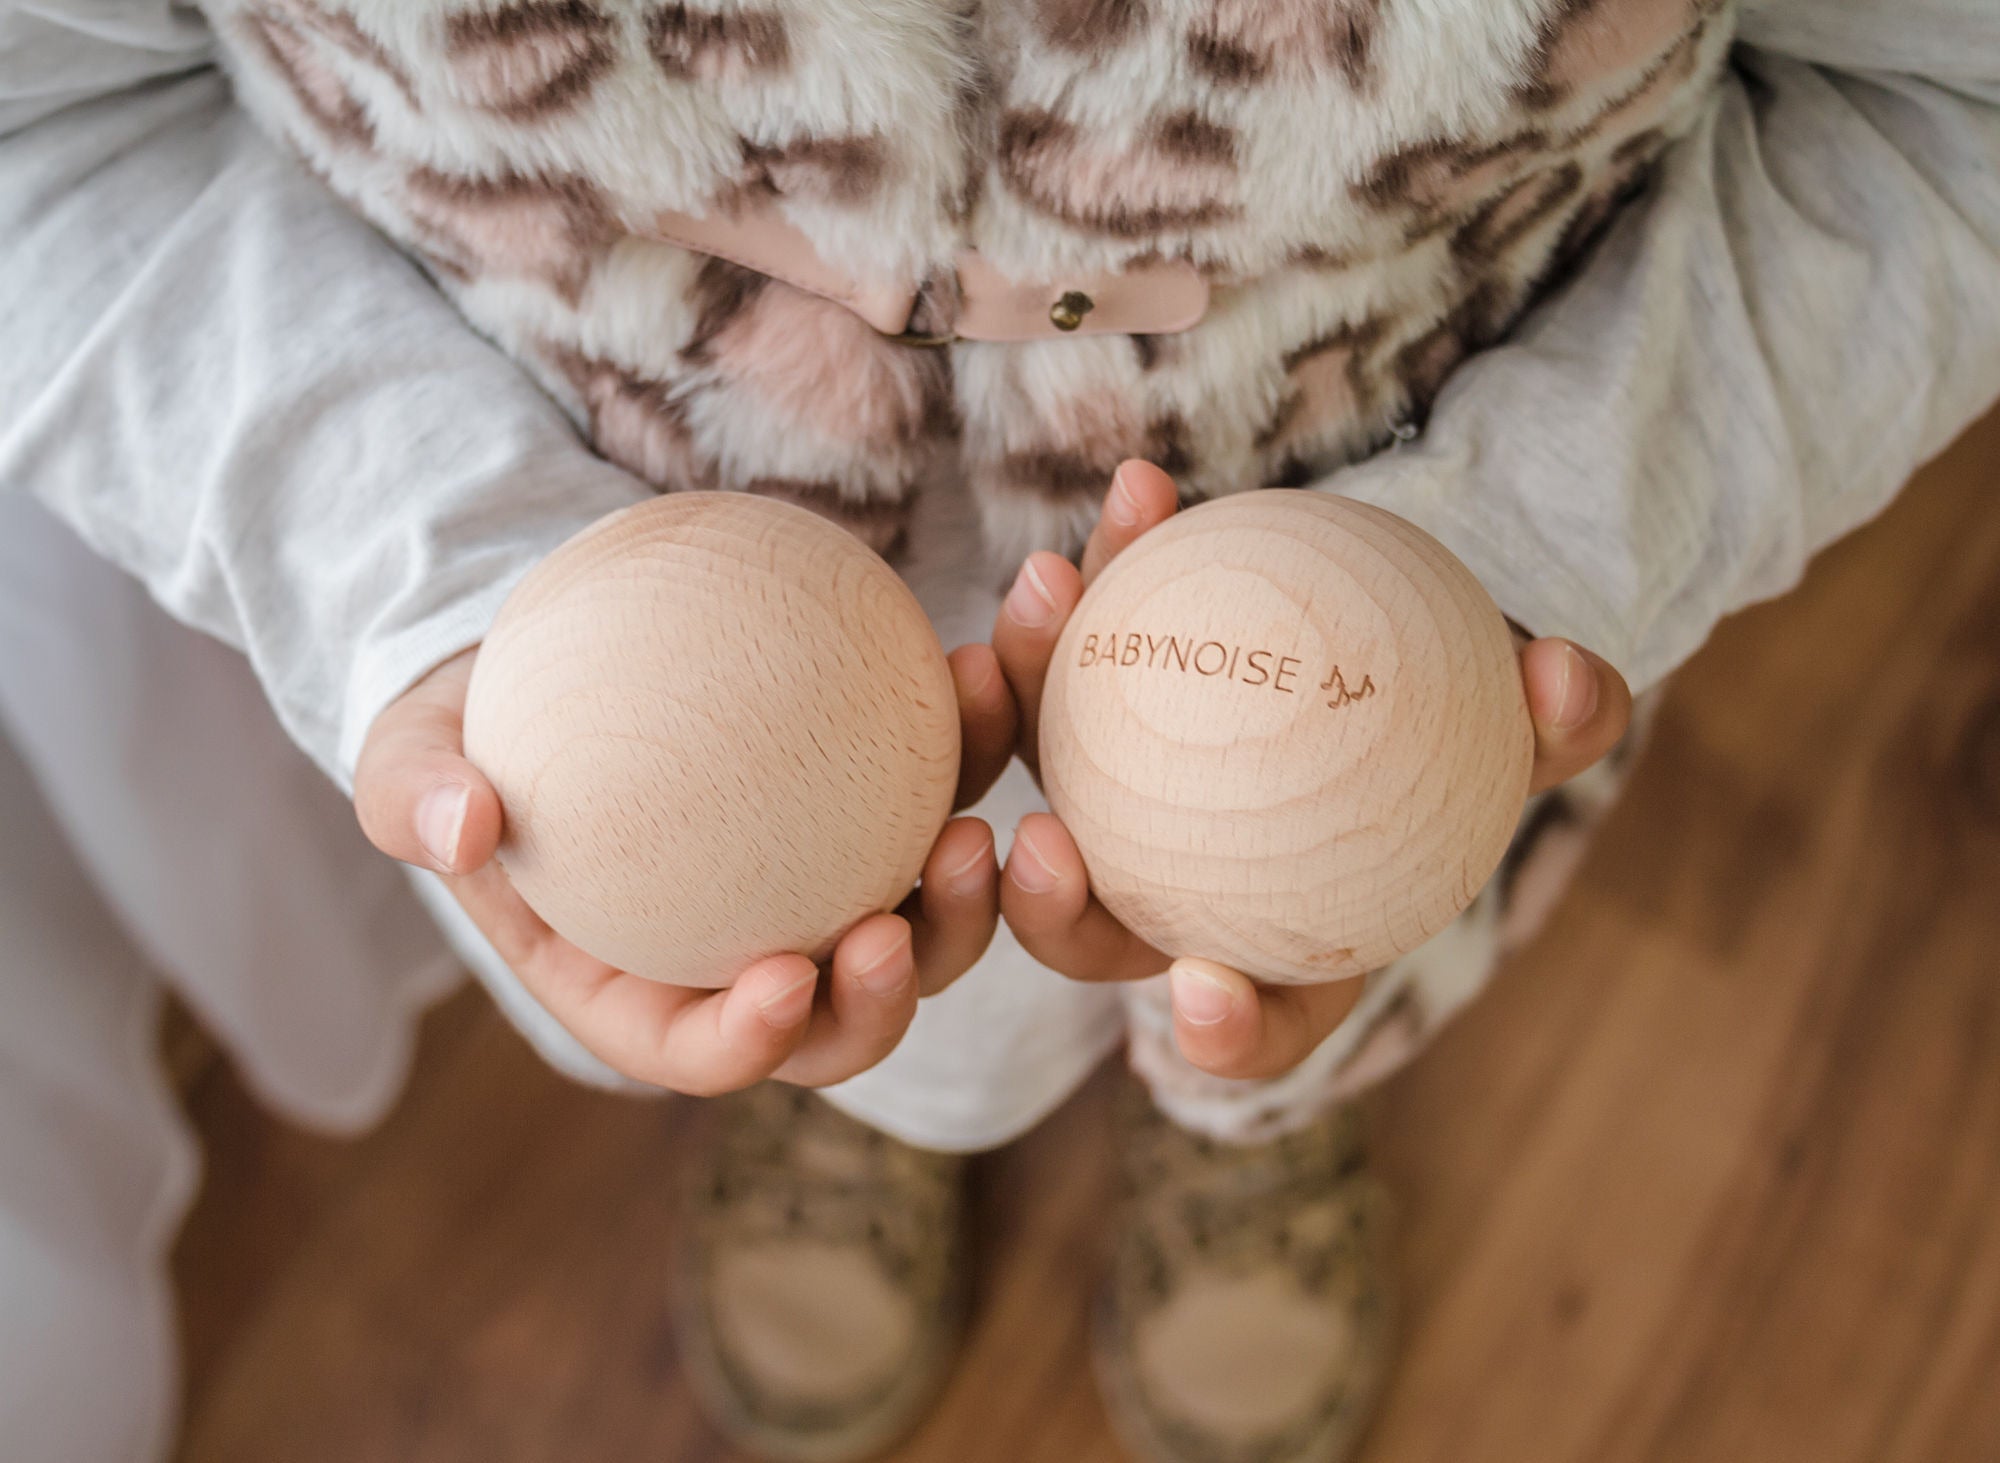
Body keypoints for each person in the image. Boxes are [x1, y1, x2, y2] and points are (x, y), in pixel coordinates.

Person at [1, 2, 1995, 1460]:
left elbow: (1941, 112)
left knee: (1292, 970)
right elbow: (50, 121)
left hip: (1389, 567)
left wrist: (1532, 538)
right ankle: (836, 1085)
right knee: (829, 989)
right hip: (597, 617)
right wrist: (422, 575)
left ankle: (1243, 1111)